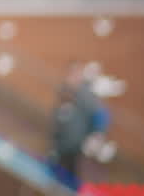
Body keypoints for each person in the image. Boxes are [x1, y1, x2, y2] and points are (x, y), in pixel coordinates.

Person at [47, 61, 109, 191]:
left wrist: (96, 135)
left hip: (76, 146)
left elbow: (98, 116)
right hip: (61, 144)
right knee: (56, 175)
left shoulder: (87, 96)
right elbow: (58, 119)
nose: (74, 78)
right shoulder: (64, 91)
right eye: (72, 74)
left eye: (77, 74)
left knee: (72, 177)